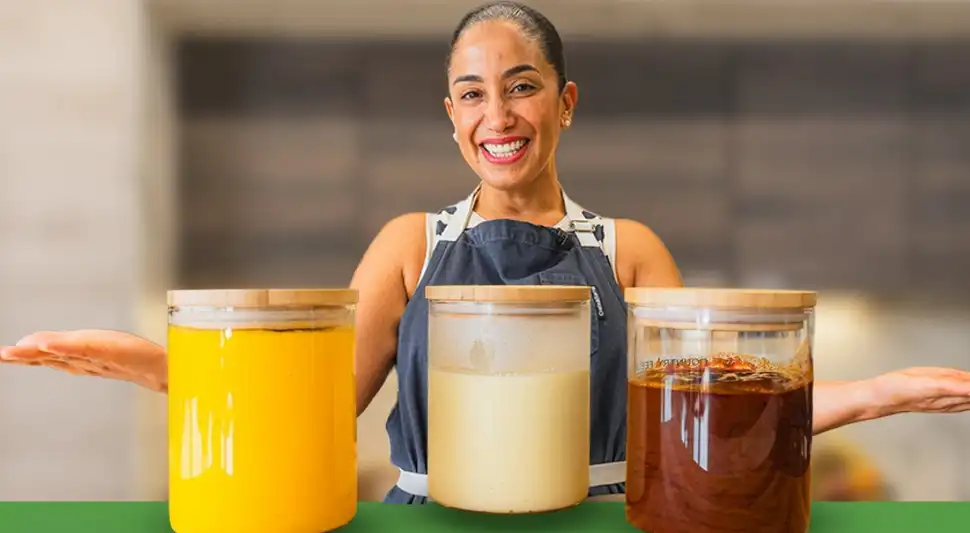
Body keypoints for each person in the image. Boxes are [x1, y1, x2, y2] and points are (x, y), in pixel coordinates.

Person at [2, 0, 970, 505]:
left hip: (592, 520)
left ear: (566, 101)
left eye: (521, 85)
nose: (496, 115)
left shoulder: (629, 253)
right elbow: (310, 404)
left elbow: (706, 416)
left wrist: (870, 395)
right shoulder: (406, 247)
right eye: (470, 92)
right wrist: (168, 368)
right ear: (451, 115)